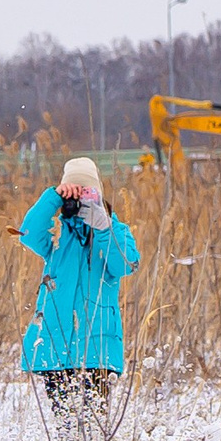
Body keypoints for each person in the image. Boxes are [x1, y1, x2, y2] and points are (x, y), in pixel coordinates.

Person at [18, 156, 141, 416]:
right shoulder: (57, 235)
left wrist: (105, 228)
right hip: (56, 348)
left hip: (98, 348)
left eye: (86, 194)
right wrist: (54, 197)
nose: (79, 202)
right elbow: (27, 233)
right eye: (73, 195)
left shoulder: (116, 230)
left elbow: (125, 265)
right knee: (64, 422)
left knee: (95, 421)